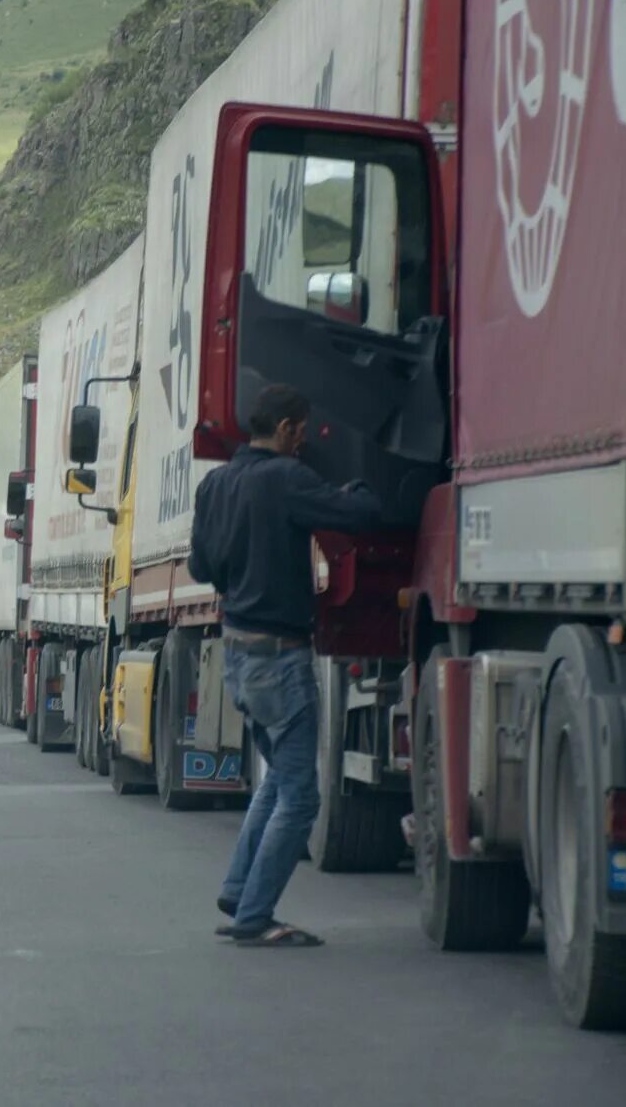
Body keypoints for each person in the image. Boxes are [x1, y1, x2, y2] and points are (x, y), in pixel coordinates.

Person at [187, 384, 383, 948]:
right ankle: (254, 917)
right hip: (280, 656)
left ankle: (239, 889)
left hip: (238, 655)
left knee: (277, 782)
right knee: (301, 797)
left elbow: (202, 567)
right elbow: (361, 514)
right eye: (304, 432)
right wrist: (357, 473)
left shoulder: (215, 484)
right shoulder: (288, 480)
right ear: (293, 430)